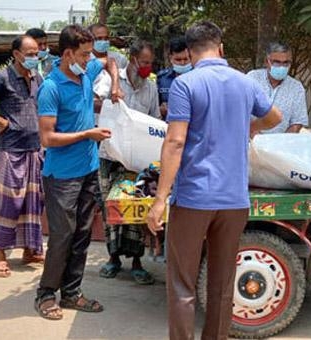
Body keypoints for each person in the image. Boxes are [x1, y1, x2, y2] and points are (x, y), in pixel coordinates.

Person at [146, 21, 282, 340]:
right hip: (235, 200)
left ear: (190, 53)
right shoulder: (245, 82)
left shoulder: (185, 84)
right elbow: (275, 117)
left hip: (194, 198)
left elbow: (175, 142)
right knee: (222, 284)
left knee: (182, 285)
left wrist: (159, 199)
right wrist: (252, 127)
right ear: (220, 47)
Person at [34, 24, 122, 321]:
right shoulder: (51, 88)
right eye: (84, 54)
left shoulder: (85, 73)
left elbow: (109, 61)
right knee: (62, 236)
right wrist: (88, 135)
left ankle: (71, 293)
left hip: (88, 170)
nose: (89, 59)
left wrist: (116, 83)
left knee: (82, 234)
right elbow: (47, 138)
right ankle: (46, 294)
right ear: (68, 53)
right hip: (61, 177)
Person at [94, 39, 160, 285]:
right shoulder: (111, 79)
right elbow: (93, 102)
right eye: (144, 62)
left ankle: (136, 261)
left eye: (150, 63)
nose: (147, 67)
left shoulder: (150, 87)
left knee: (135, 208)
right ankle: (113, 259)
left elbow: (154, 121)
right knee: (108, 206)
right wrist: (114, 105)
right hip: (109, 153)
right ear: (132, 59)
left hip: (135, 158)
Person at [0, 35, 45, 278]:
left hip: (36, 148)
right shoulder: (2, 77)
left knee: (33, 202)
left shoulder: (37, 78)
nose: (34, 57)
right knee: (8, 202)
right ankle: (0, 255)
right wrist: (1, 122)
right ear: (16, 54)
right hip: (12, 149)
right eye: (30, 53)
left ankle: (29, 250)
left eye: (37, 53)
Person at [247, 42, 307, 134]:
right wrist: (257, 139)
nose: (282, 66)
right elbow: (242, 112)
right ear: (267, 62)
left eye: (286, 62)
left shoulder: (296, 88)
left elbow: (297, 122)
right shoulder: (252, 79)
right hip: (251, 141)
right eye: (277, 62)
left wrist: (281, 144)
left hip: (281, 144)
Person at [157, 36, 192, 119]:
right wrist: (161, 109)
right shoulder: (162, 78)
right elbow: (154, 106)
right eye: (178, 60)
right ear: (171, 58)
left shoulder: (199, 78)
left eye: (186, 59)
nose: (183, 63)